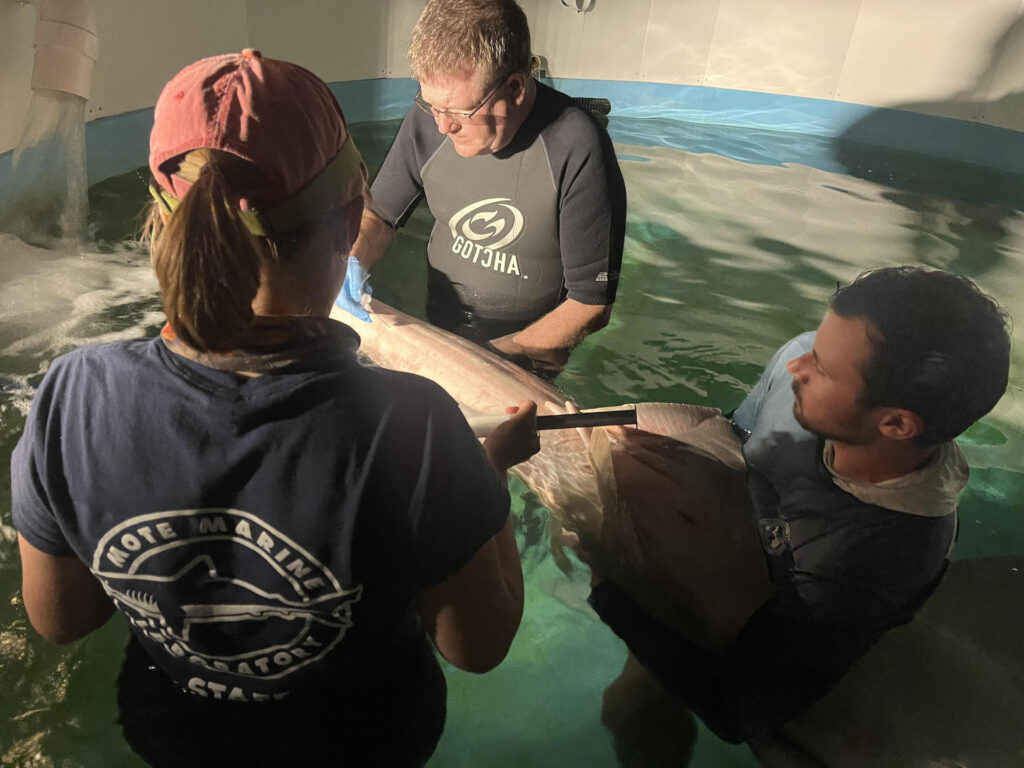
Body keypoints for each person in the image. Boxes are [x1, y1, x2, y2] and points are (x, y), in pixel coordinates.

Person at [12, 50, 539, 767]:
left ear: (163, 219)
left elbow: (61, 619)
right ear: (350, 217)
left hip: (174, 731)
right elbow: (478, 647)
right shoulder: (411, 426)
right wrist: (487, 481)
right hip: (364, 741)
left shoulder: (74, 395)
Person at [580, 267, 1012, 744]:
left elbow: (741, 711)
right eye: (816, 347)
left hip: (758, 621)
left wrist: (609, 584)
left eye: (822, 368)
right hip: (717, 550)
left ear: (895, 423)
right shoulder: (804, 364)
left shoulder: (882, 559)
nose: (796, 366)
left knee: (631, 709)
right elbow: (735, 440)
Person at [336, 0, 626, 376]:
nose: (442, 126)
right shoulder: (430, 118)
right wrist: (353, 260)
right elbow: (380, 215)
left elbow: (591, 304)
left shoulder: (577, 145)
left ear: (516, 86)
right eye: (431, 105)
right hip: (438, 327)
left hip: (526, 349)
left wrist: (498, 356)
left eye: (459, 112)